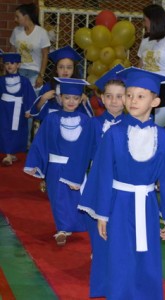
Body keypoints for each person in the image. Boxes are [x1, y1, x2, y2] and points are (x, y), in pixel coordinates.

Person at [79, 67, 165, 299]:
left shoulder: (162, 137)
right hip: (119, 204)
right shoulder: (113, 134)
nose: (132, 100)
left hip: (147, 205)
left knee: (147, 253)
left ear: (154, 102)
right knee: (120, 253)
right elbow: (103, 174)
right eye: (129, 95)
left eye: (140, 96)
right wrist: (102, 214)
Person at [24, 77, 95, 246]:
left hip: (77, 167)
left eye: (76, 98)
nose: (71, 101)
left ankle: (77, 225)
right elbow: (41, 142)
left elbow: (91, 145)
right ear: (59, 98)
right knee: (58, 198)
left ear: (80, 100)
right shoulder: (51, 119)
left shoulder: (86, 121)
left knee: (76, 197)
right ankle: (62, 229)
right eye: (67, 97)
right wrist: (35, 163)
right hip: (56, 167)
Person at [78, 64, 126, 298]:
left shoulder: (132, 127)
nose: (115, 101)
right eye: (109, 96)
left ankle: (118, 277)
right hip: (97, 185)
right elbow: (82, 153)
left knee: (119, 234)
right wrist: (74, 179)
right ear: (102, 99)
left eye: (120, 96)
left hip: (123, 188)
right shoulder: (93, 124)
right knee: (98, 232)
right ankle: (100, 276)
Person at [10, 2, 51, 147]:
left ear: (26, 17)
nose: (15, 19)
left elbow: (45, 55)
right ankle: (15, 140)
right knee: (15, 108)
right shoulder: (16, 32)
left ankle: (27, 143)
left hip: (34, 74)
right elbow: (13, 53)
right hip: (18, 73)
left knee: (29, 110)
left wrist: (41, 74)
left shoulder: (41, 33)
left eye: (17, 16)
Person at [30, 45, 93, 121]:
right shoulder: (48, 87)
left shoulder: (77, 87)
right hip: (52, 126)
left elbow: (86, 116)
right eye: (61, 67)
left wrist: (85, 101)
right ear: (56, 70)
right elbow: (37, 113)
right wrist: (43, 98)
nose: (65, 70)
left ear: (73, 70)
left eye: (69, 67)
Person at [0, 53, 36, 165]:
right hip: (4, 110)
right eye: (6, 63)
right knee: (5, 130)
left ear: (18, 65)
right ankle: (8, 155)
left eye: (12, 63)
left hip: (18, 109)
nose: (9, 66)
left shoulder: (24, 81)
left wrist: (28, 110)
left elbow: (29, 95)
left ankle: (12, 152)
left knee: (17, 130)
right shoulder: (1, 80)